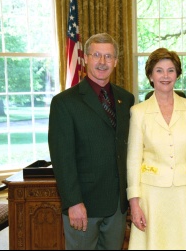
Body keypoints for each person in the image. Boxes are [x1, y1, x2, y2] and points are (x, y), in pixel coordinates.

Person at [48, 33, 135, 250]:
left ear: (115, 61)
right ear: (85, 58)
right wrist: (73, 202)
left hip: (117, 206)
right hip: (83, 204)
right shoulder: (64, 103)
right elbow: (62, 158)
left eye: (108, 56)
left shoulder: (127, 99)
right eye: (96, 55)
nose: (102, 62)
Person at [126, 47, 186, 249]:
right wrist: (134, 202)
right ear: (150, 75)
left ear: (177, 74)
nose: (165, 76)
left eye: (170, 70)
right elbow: (133, 160)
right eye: (159, 70)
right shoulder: (138, 112)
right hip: (152, 196)